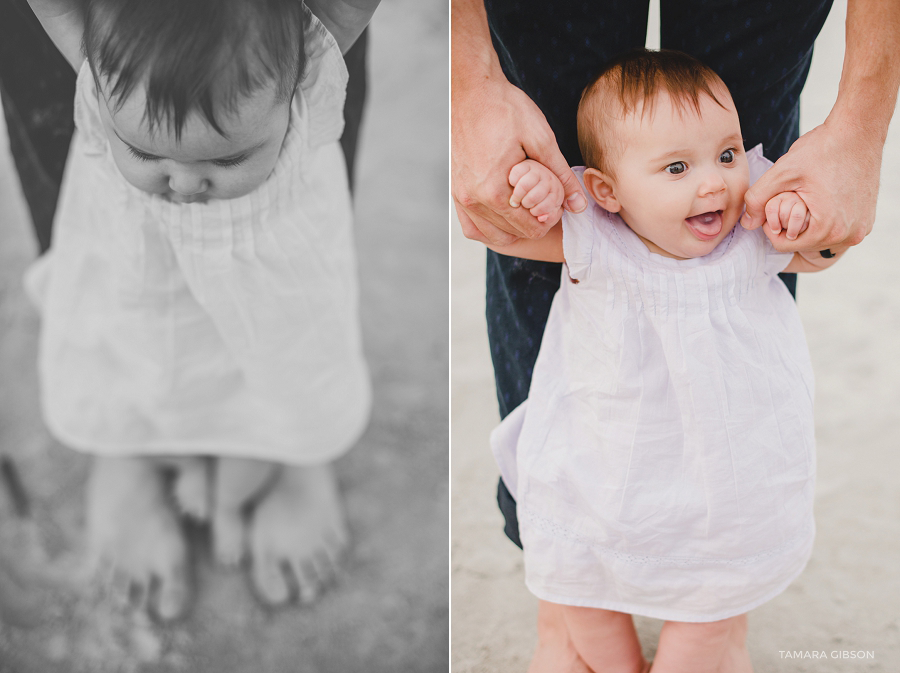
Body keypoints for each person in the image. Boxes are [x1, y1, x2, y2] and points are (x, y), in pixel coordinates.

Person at [452, 0, 900, 668]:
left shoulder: (749, 230)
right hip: (607, 468)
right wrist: (533, 187)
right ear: (604, 192)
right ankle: (589, 629)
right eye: (677, 169)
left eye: (725, 154)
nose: (715, 182)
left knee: (707, 615)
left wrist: (804, 216)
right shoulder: (595, 234)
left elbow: (816, 248)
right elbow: (514, 227)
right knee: (583, 593)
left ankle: (716, 623)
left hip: (723, 483)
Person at [23, 0, 380, 621]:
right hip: (135, 279)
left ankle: (289, 453)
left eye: (226, 157)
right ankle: (132, 447)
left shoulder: (313, 65)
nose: (184, 184)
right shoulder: (91, 65)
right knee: (132, 350)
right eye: (143, 151)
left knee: (293, 364)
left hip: (278, 296)